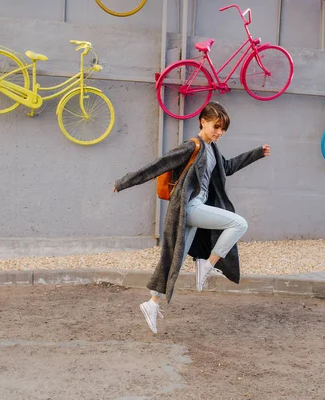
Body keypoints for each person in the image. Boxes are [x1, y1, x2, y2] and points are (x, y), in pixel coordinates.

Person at [113, 102, 270, 334]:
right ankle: (206, 265)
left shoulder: (212, 149)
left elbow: (227, 167)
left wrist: (256, 154)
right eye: (216, 126)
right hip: (189, 207)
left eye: (223, 129)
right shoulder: (191, 146)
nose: (219, 132)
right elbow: (158, 165)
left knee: (172, 258)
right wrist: (123, 182)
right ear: (203, 122)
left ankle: (152, 304)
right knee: (239, 223)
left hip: (197, 206)